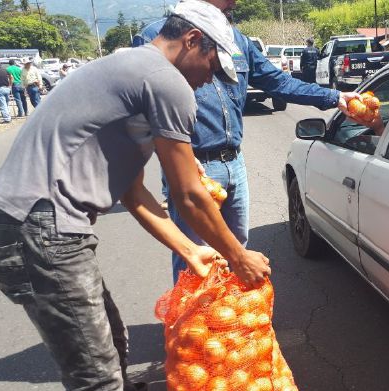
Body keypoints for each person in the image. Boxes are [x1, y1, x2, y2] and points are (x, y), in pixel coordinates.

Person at [0, 1, 270, 391]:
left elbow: (135, 196)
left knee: (113, 351)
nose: (212, 79)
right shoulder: (164, 81)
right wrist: (238, 256)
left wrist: (192, 250)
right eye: (212, 64)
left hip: (39, 229)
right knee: (96, 383)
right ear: (192, 40)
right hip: (38, 228)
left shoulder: (129, 73)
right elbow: (189, 194)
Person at [135, 0, 359, 282]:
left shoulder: (236, 39)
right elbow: (145, 110)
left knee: (235, 252)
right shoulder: (159, 36)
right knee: (195, 260)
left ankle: (231, 323)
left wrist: (335, 98)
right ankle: (194, 325)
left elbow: (278, 82)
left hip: (234, 164)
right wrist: (179, 160)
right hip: (195, 167)